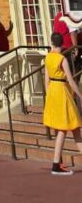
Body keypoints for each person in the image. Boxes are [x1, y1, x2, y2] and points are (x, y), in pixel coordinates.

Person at [43, 31, 82, 175]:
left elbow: (46, 80)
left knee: (72, 128)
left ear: (52, 43)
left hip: (53, 91)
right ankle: (55, 164)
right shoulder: (62, 59)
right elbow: (71, 81)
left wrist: (49, 97)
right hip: (62, 91)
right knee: (68, 127)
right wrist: (80, 95)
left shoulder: (48, 57)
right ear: (62, 44)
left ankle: (56, 163)